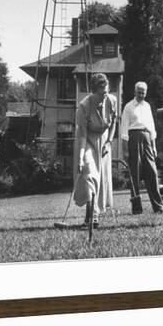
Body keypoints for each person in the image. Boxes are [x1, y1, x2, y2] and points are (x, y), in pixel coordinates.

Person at [73, 73, 117, 227]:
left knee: (101, 178)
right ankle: (93, 215)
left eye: (106, 92)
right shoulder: (84, 106)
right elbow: (83, 135)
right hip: (87, 141)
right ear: (93, 92)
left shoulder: (112, 100)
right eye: (101, 93)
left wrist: (109, 142)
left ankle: (91, 216)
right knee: (89, 172)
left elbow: (113, 123)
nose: (104, 96)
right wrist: (80, 158)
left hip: (104, 141)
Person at [121, 82, 163, 213]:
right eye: (139, 92)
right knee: (134, 174)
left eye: (143, 92)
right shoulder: (128, 107)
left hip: (147, 139)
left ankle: (158, 206)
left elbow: (152, 127)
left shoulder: (147, 106)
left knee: (152, 172)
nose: (141, 95)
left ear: (146, 93)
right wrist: (125, 150)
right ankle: (137, 208)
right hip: (134, 139)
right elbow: (124, 130)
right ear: (135, 92)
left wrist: (154, 146)